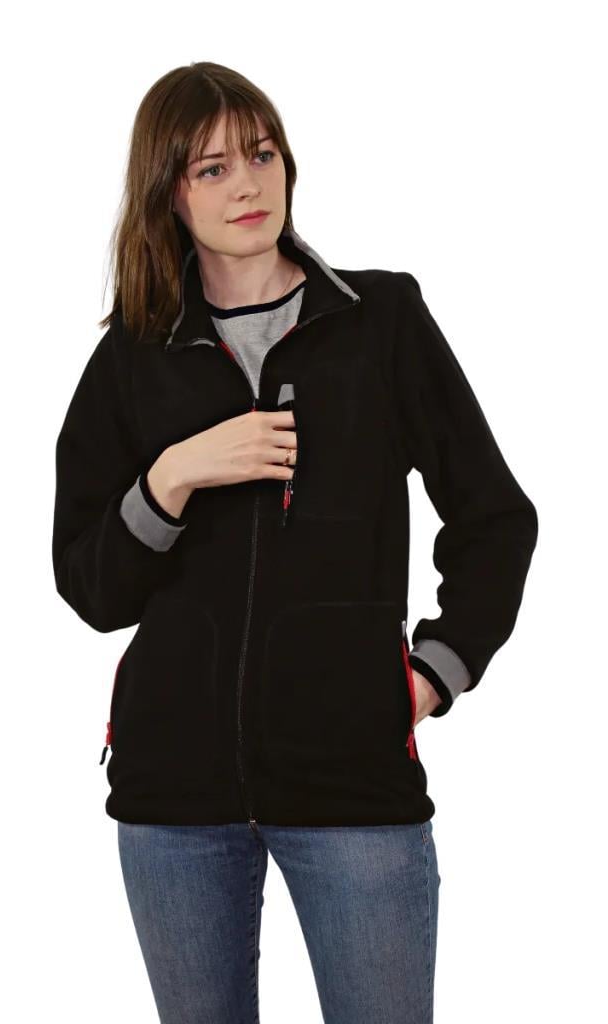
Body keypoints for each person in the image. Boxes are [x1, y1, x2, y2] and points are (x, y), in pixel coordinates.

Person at [52, 61, 538, 1024]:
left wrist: (433, 672)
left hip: (353, 784)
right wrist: (173, 475)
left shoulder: (380, 323)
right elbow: (92, 589)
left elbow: (494, 518)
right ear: (168, 194)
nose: (247, 184)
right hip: (172, 796)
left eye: (262, 155)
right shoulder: (134, 356)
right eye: (212, 169)